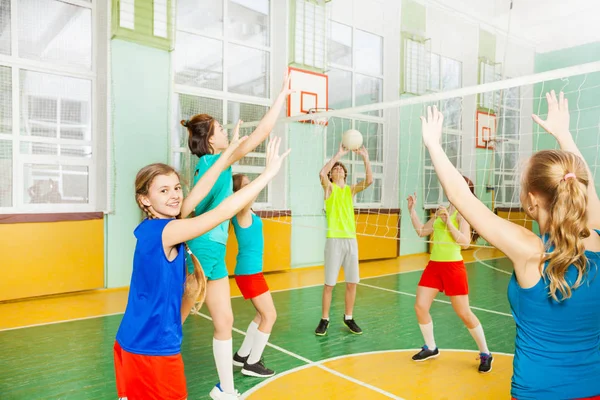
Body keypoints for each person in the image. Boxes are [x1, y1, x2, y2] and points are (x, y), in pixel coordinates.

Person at [420, 91, 600, 399]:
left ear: (531, 201)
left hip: (536, 391)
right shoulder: (596, 236)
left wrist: (434, 145)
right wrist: (564, 135)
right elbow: (586, 184)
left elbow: (460, 196)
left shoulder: (530, 250)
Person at [113, 136, 290, 400]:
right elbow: (221, 212)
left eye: (176, 188)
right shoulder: (169, 231)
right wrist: (267, 175)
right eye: (163, 191)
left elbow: (201, 190)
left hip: (129, 340)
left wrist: (226, 155)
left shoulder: (153, 227)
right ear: (145, 200)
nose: (174, 195)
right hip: (152, 349)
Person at [180, 72, 292, 400]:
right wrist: (282, 95)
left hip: (214, 252)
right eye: (221, 130)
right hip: (202, 249)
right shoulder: (215, 160)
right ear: (210, 140)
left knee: (225, 320)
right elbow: (262, 133)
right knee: (177, 319)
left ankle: (225, 390)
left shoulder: (214, 163)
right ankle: (143, 369)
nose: (227, 133)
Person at [407, 180, 492, 373]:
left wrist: (448, 223)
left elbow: (465, 243)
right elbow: (421, 231)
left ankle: (485, 353)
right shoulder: (442, 210)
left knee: (464, 313)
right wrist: (412, 210)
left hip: (453, 267)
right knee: (420, 307)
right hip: (434, 266)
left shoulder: (463, 214)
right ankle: (431, 347)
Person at [315, 143, 373, 336]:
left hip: (351, 240)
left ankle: (348, 317)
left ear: (345, 175)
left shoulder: (350, 191)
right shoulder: (329, 189)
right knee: (329, 284)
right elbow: (321, 174)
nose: (338, 169)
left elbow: (369, 181)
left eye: (341, 168)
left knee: (351, 283)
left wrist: (365, 157)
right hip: (334, 241)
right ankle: (324, 319)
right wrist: (338, 153)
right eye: (335, 169)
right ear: (332, 175)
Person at [230, 174, 277, 378]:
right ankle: (253, 363)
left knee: (261, 315)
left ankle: (241, 356)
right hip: (249, 273)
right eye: (246, 185)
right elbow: (248, 198)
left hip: (250, 271)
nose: (251, 187)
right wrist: (268, 172)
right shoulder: (241, 211)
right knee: (270, 316)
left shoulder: (246, 211)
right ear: (239, 191)